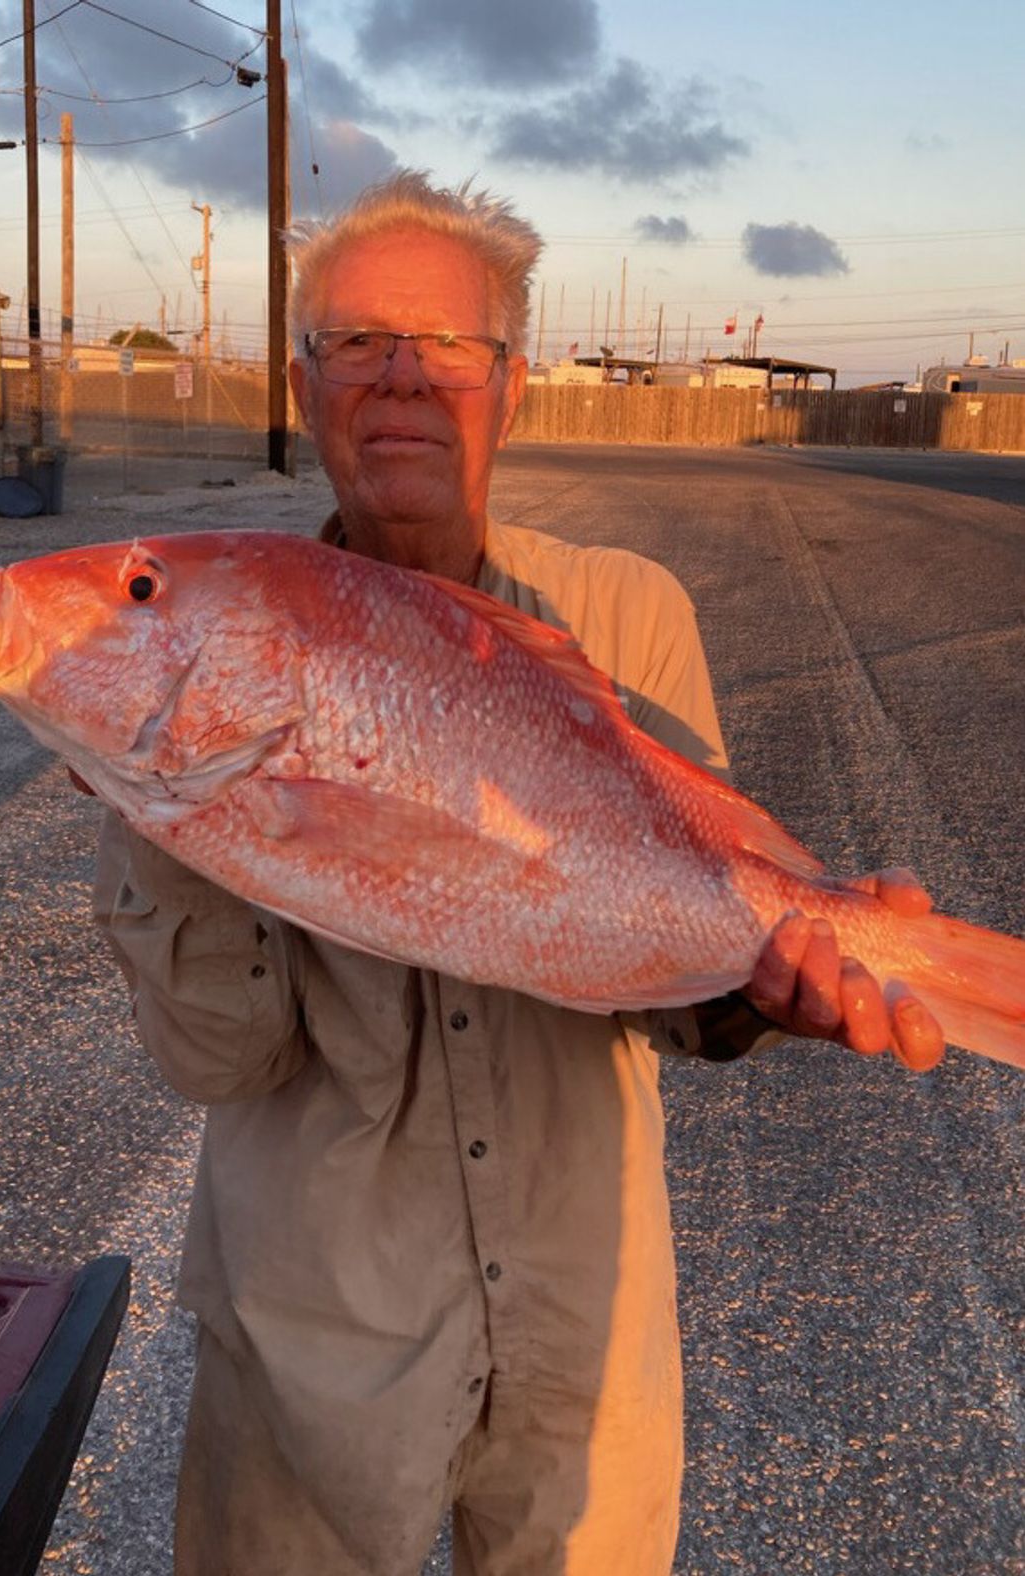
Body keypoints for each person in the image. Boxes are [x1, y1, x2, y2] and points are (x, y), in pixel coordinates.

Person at [92, 172, 944, 1576]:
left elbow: (679, 984)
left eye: (450, 346)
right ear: (303, 386)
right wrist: (165, 809)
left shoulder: (624, 614)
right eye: (357, 342)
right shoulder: (216, 654)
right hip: (315, 1351)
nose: (404, 376)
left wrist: (773, 981)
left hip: (581, 1348)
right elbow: (222, 1058)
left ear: (514, 383)